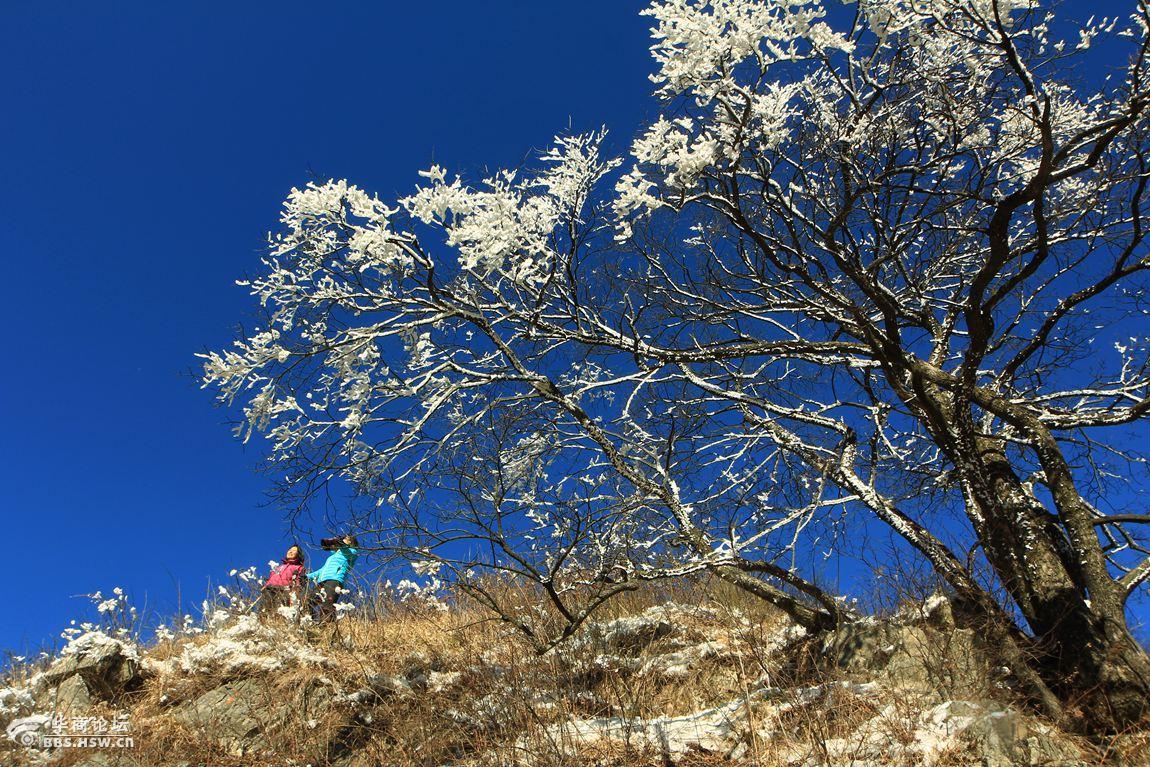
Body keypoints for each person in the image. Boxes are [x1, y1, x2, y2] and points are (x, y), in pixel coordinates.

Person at [308, 535, 359, 623]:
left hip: (334, 580)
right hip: (321, 582)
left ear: (350, 542)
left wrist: (341, 544)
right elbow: (321, 570)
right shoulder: (333, 556)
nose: (343, 539)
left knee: (327, 605)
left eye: (345, 539)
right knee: (309, 601)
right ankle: (311, 623)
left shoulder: (352, 552)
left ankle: (326, 628)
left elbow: (347, 552)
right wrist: (307, 576)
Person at [253, 544, 306, 615]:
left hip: (284, 590)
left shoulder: (298, 567)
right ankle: (263, 622)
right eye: (290, 550)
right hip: (270, 589)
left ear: (298, 554)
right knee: (264, 609)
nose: (290, 552)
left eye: (294, 551)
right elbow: (271, 578)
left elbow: (299, 580)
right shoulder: (278, 567)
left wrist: (296, 590)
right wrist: (266, 585)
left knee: (280, 611)